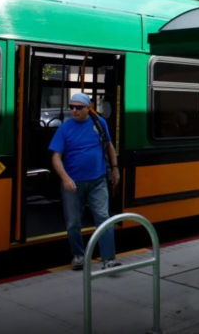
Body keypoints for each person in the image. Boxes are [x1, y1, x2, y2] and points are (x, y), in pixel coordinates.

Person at [49, 93, 121, 271]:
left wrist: (115, 168)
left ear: (87, 108)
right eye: (71, 106)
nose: (74, 110)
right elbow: (56, 158)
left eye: (78, 107)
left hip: (98, 180)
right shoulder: (64, 128)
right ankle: (78, 256)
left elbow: (109, 146)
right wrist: (65, 178)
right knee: (73, 222)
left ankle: (108, 259)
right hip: (73, 184)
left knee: (103, 219)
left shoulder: (99, 123)